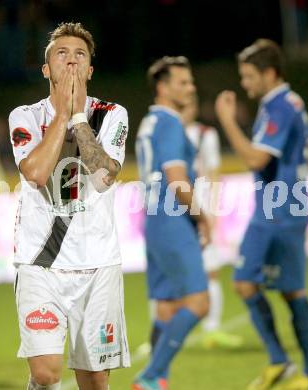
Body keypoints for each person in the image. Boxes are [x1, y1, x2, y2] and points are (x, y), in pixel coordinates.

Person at [8, 22, 130, 390]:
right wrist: (62, 114)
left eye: (80, 55)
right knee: (46, 373)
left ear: (91, 70)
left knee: (94, 381)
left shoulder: (112, 114)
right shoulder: (25, 116)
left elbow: (105, 176)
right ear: (47, 69)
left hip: (98, 265)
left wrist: (79, 117)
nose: (72, 62)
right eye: (62, 54)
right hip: (40, 263)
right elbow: (36, 174)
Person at [215, 39, 308, 390]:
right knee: (260, 285)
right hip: (281, 208)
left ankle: (300, 370)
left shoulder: (279, 106)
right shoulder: (288, 103)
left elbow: (255, 159)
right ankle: (294, 366)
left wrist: (226, 120)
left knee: (271, 287)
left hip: (277, 213)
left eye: (249, 76)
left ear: (269, 72)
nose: (245, 84)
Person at [134, 56, 210, 390]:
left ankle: (157, 380)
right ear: (163, 88)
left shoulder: (149, 122)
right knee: (198, 303)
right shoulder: (170, 123)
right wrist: (202, 217)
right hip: (173, 220)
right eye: (183, 82)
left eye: (191, 82)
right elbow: (177, 179)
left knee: (166, 307)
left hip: (153, 221)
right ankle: (150, 375)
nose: (190, 88)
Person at [182, 95, 243, 349]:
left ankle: (212, 329)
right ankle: (159, 334)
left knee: (211, 271)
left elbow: (214, 174)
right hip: (169, 212)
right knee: (164, 274)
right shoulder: (162, 130)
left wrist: (213, 213)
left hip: (200, 210)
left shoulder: (205, 134)